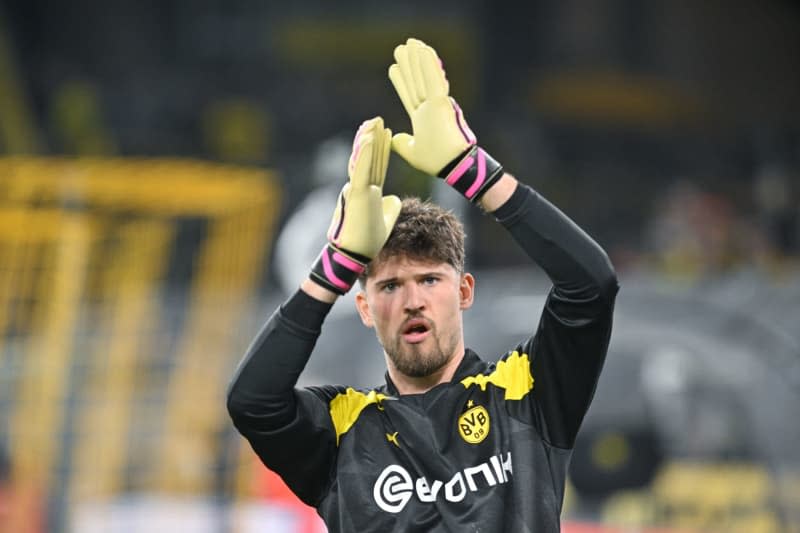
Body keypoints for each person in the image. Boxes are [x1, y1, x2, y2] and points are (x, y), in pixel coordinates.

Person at [227, 38, 618, 532]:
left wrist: (473, 172)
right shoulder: (344, 427)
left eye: (430, 279)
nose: (413, 300)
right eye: (390, 287)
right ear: (365, 308)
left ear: (464, 292)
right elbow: (252, 403)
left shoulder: (525, 395)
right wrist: (336, 267)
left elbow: (592, 285)